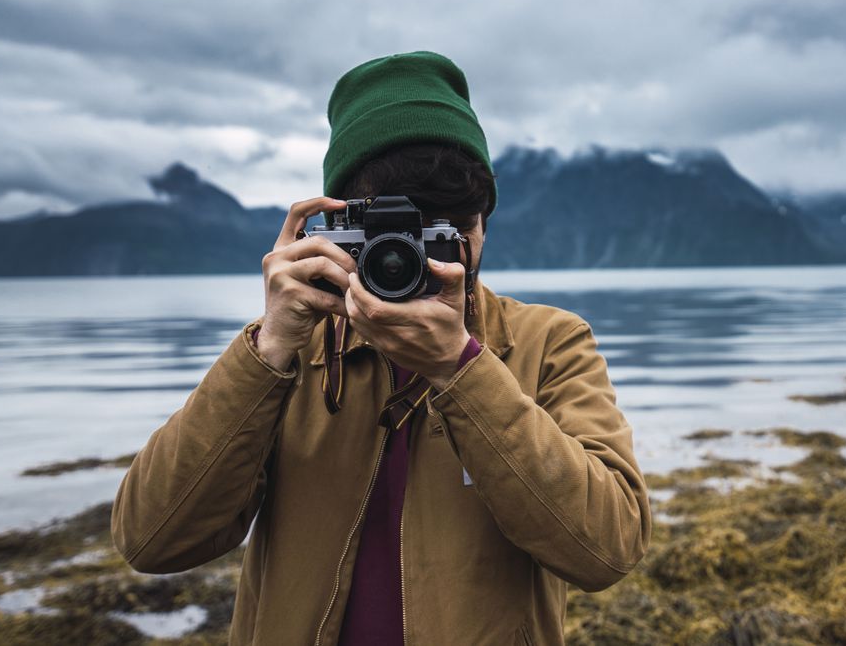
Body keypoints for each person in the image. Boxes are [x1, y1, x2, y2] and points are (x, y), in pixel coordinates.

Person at [110, 50, 651, 645]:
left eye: (449, 233)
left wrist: (462, 370)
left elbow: (609, 548)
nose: (420, 259)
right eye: (396, 236)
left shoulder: (548, 343)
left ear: (485, 222)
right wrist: (268, 350)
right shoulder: (292, 351)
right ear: (340, 229)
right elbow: (152, 539)